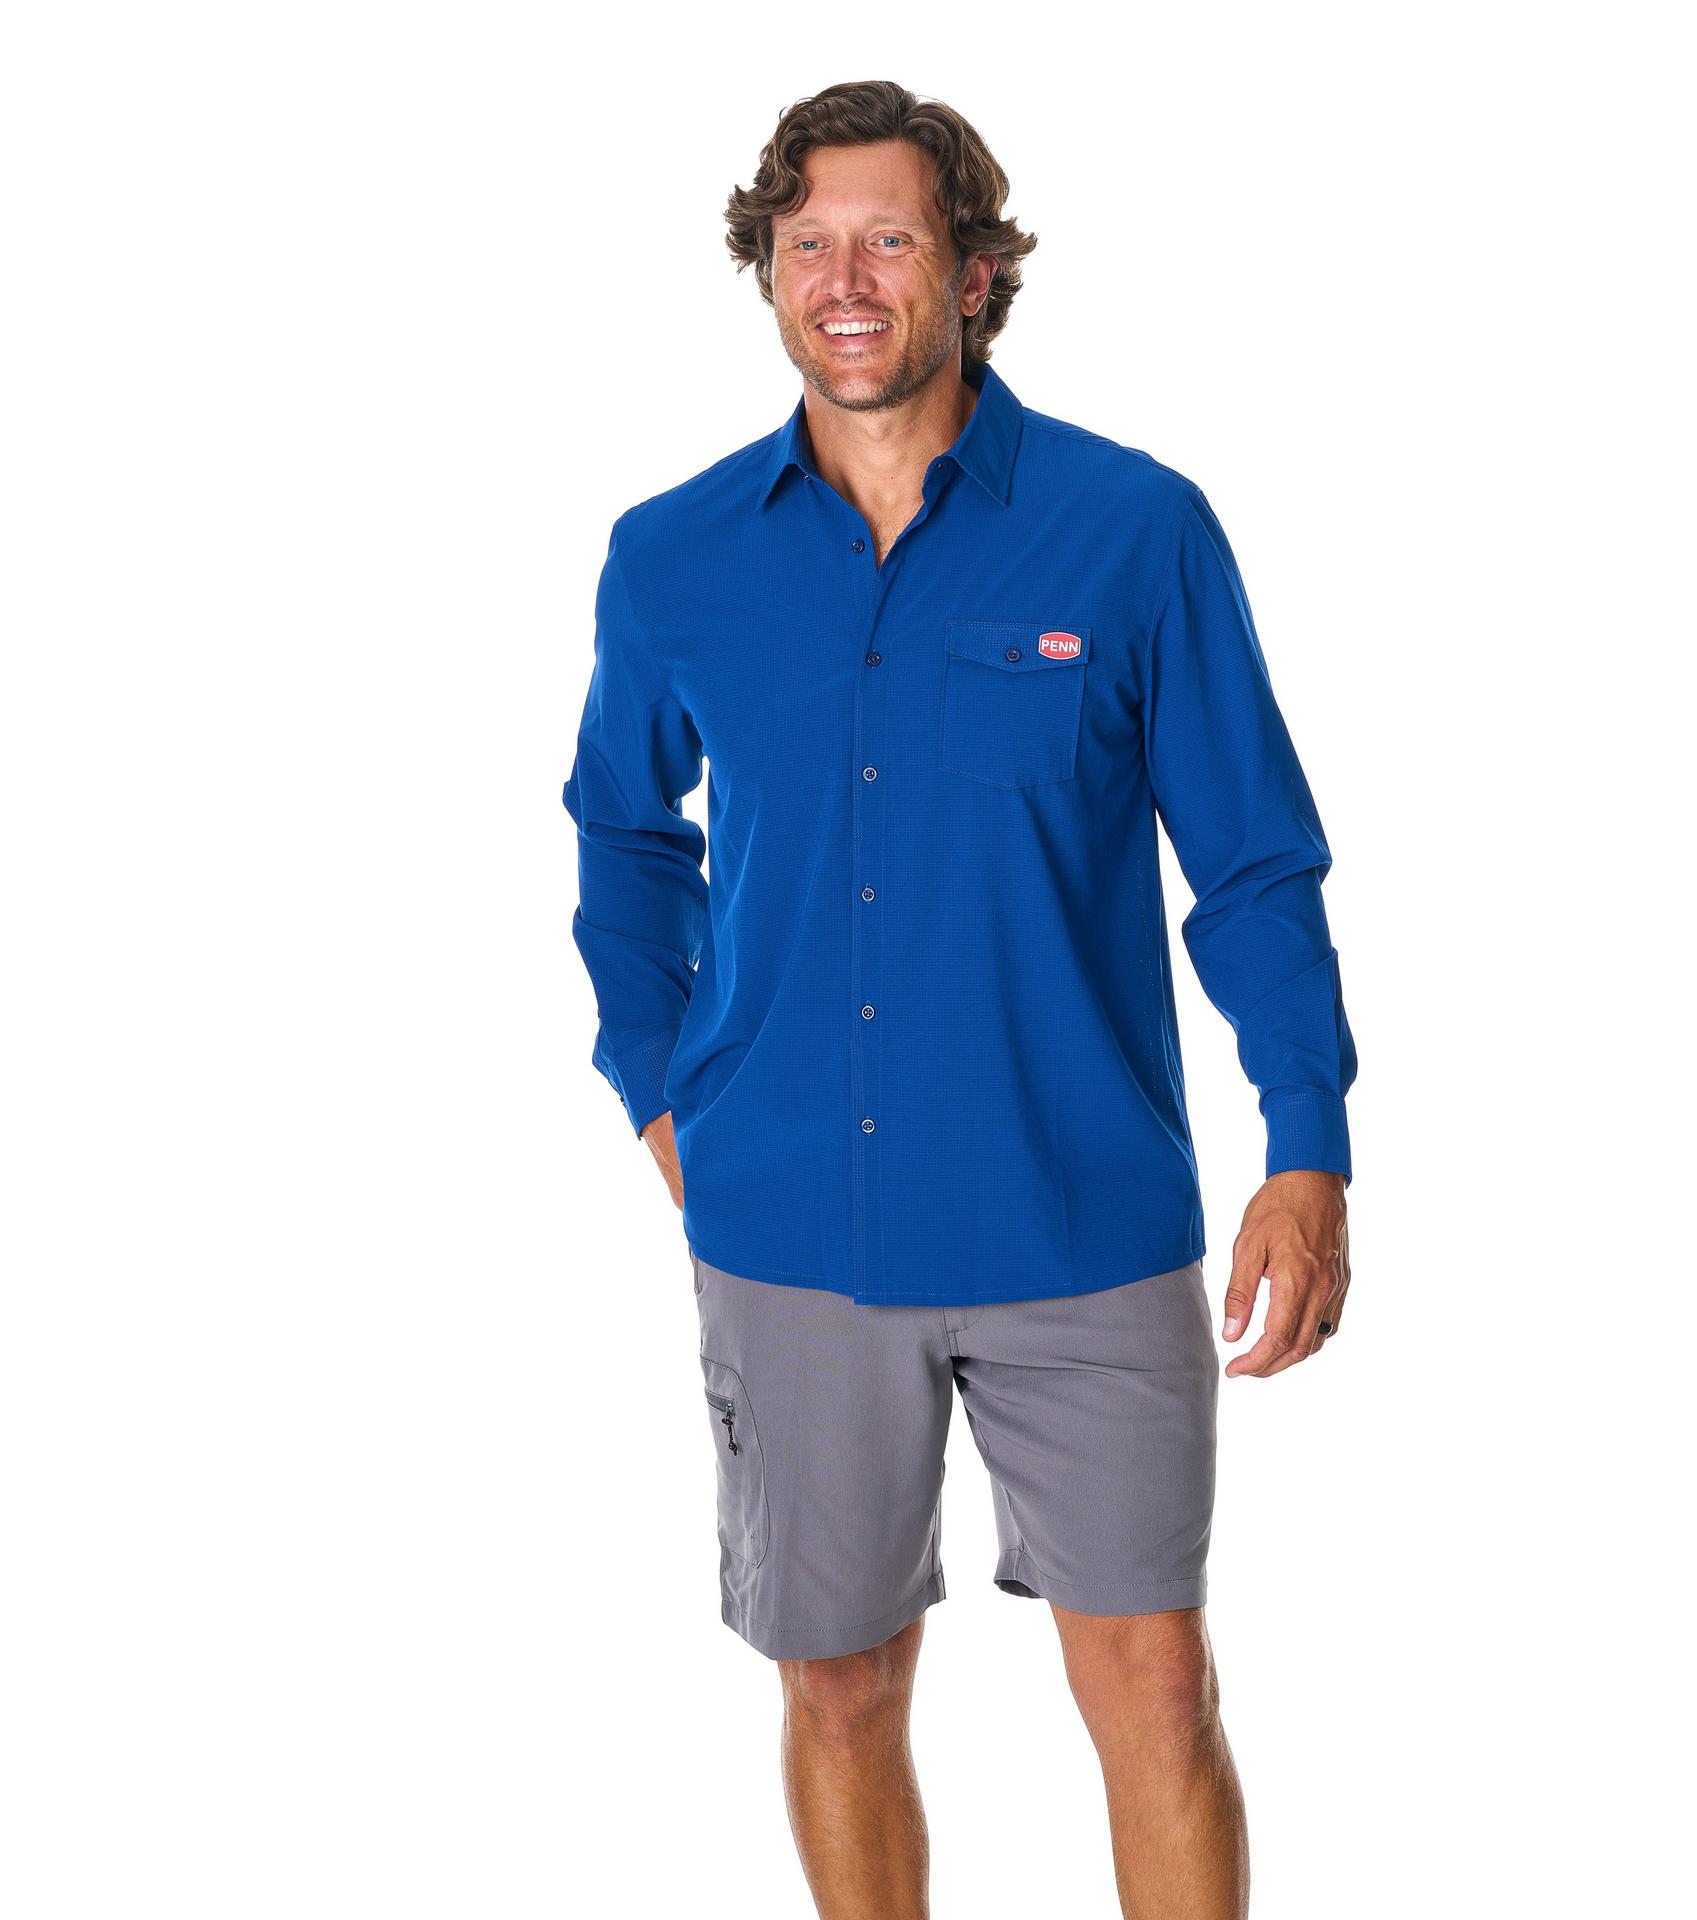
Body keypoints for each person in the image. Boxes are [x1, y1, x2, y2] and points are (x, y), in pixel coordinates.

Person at [562, 78, 1358, 1920]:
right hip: (789, 1224)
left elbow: (1252, 860)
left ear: (975, 274)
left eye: (890, 240)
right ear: (768, 269)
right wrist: (658, 1078)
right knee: (837, 1687)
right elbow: (621, 831)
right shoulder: (671, 555)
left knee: (1156, 1688)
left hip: (1079, 1214)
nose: (844, 281)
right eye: (807, 244)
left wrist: (1308, 1140)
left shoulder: (1133, 530)